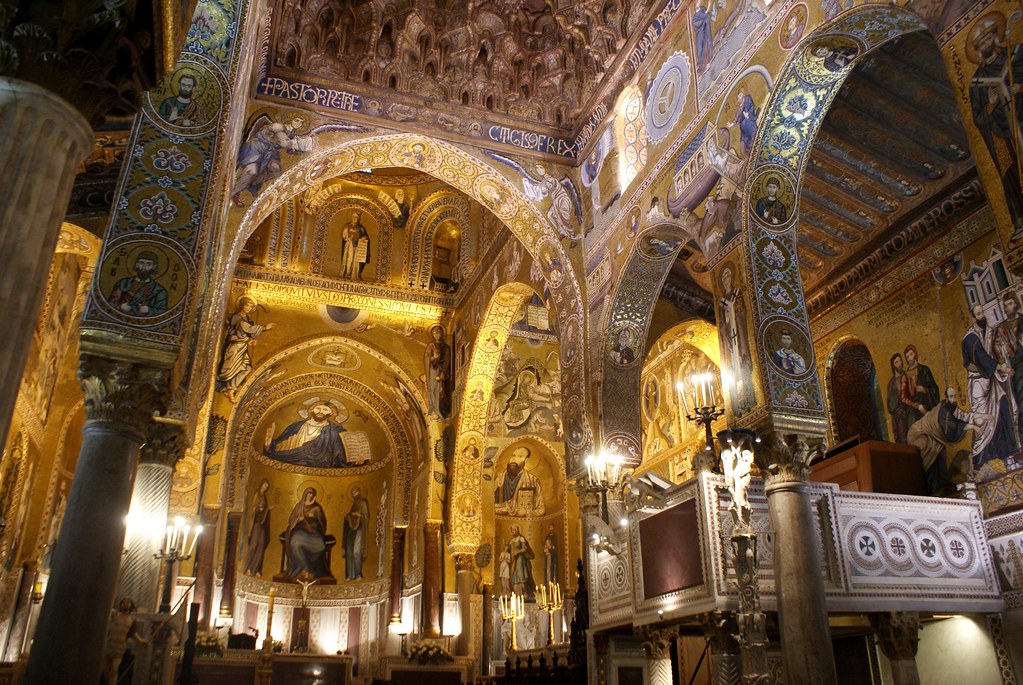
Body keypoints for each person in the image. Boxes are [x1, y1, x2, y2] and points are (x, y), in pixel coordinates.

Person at [968, 15, 1023, 240]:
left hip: (1019, 120)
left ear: (995, 37)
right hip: (1000, 134)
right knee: (1009, 173)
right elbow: (977, 118)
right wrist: (990, 105)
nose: (986, 44)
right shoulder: (977, 82)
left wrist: (1019, 88)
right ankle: (1020, 220)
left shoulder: (1015, 55)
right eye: (981, 43)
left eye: (988, 39)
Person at [962, 303, 1019, 473]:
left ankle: (1008, 453)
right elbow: (982, 359)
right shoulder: (970, 338)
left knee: (1003, 407)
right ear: (973, 317)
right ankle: (980, 461)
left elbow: (996, 351)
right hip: (979, 385)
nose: (982, 317)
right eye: (978, 314)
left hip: (992, 380)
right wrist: (1001, 368)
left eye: (982, 313)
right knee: (983, 422)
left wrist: (1002, 358)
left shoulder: (989, 332)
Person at [908, 387, 989, 493]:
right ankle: (934, 487)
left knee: (940, 453)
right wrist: (973, 427)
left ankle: (941, 485)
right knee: (931, 456)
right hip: (920, 435)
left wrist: (982, 416)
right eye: (951, 397)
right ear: (946, 398)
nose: (954, 399)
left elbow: (964, 416)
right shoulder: (943, 411)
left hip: (933, 437)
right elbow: (953, 427)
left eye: (954, 396)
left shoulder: (951, 406)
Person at [232, 115, 313, 206]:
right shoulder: (279, 127)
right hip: (257, 149)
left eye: (301, 122)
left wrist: (298, 150)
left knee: (277, 172)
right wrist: (296, 144)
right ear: (290, 119)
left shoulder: (292, 133)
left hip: (270, 152)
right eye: (296, 120)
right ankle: (234, 192)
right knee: (252, 171)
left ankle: (252, 182)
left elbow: (287, 148)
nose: (298, 123)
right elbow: (283, 141)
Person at [216, 295, 275, 402]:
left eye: (251, 306)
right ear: (242, 305)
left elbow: (247, 333)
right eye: (247, 305)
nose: (248, 308)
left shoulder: (248, 319)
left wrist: (249, 340)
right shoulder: (236, 317)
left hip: (242, 347)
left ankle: (231, 389)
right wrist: (264, 328)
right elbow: (246, 328)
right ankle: (227, 387)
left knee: (247, 369)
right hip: (235, 347)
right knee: (230, 370)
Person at [718, 266, 756, 415]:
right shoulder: (721, 302)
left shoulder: (737, 294)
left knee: (742, 357)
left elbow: (742, 312)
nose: (726, 280)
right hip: (730, 337)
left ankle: (749, 396)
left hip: (739, 333)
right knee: (733, 363)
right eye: (723, 278)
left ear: (732, 278)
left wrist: (735, 315)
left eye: (728, 276)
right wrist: (726, 323)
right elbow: (722, 324)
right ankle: (737, 403)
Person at [264, 402, 347, 468]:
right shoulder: (296, 425)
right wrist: (269, 446)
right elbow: (280, 444)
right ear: (312, 410)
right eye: (318, 408)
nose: (320, 412)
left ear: (331, 413)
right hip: (288, 459)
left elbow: (340, 455)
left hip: (318, 466)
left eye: (325, 410)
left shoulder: (334, 431)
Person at [283, 488, 331, 579]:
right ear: (305, 494)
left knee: (321, 546)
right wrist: (298, 519)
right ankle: (306, 569)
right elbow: (291, 519)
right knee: (294, 542)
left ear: (314, 496)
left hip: (313, 534)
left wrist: (314, 527)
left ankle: (307, 568)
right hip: (299, 532)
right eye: (308, 494)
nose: (310, 496)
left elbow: (322, 522)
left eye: (312, 494)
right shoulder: (299, 506)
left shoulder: (317, 508)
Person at [108, 251, 168, 317]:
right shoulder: (123, 283)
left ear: (154, 266)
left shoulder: (159, 290)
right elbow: (110, 304)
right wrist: (120, 306)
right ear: (137, 264)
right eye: (141, 263)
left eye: (148, 264)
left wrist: (148, 310)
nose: (144, 267)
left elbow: (163, 312)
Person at [103, 597, 147, 685]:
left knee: (114, 669)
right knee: (104, 669)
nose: (125, 604)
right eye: (123, 602)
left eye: (128, 602)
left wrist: (141, 641)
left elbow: (133, 634)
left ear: (131, 605)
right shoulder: (114, 615)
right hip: (109, 644)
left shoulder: (131, 620)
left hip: (119, 647)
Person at [495, 447, 545, 517]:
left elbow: (541, 510)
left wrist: (526, 513)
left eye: (520, 456)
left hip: (522, 522)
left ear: (526, 460)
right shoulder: (499, 480)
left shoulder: (533, 481)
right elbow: (488, 505)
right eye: (513, 455)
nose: (514, 459)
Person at [901, 345, 941, 431]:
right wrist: (917, 406)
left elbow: (935, 389)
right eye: (907, 356)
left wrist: (924, 390)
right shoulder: (905, 376)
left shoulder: (924, 370)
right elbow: (903, 397)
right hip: (913, 409)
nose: (910, 358)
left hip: (927, 405)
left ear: (915, 354)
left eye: (911, 354)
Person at [243, 479, 272, 576]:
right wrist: (261, 508)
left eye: (267, 487)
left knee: (261, 546)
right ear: (261, 485)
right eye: (264, 485)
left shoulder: (265, 497)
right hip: (256, 523)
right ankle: (248, 568)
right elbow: (253, 508)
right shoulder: (257, 494)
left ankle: (256, 569)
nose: (265, 488)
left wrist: (267, 509)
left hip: (263, 525)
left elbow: (264, 509)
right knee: (254, 545)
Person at [424, 324, 451, 419]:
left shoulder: (446, 347)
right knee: (432, 389)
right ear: (432, 335)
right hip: (432, 370)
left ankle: (440, 409)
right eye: (435, 334)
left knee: (440, 390)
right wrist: (434, 357)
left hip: (441, 371)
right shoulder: (431, 345)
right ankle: (433, 409)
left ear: (442, 334)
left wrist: (443, 373)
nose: (437, 335)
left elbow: (447, 361)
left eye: (438, 333)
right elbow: (427, 358)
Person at [342, 486, 369, 580]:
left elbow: (366, 517)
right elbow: (351, 518)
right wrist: (347, 516)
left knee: (356, 552)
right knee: (349, 552)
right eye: (353, 493)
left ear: (359, 492)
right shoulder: (354, 504)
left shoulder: (363, 502)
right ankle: (350, 575)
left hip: (359, 529)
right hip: (351, 530)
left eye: (355, 492)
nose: (354, 495)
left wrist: (359, 515)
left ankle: (358, 574)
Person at [507, 525, 536, 597]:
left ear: (517, 530)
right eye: (512, 530)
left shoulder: (521, 538)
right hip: (513, 560)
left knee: (521, 575)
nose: (513, 531)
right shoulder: (511, 541)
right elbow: (508, 550)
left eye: (514, 530)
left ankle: (524, 592)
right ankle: (516, 593)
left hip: (520, 559)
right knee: (514, 575)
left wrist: (518, 552)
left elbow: (524, 548)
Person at [729, 88, 759, 156]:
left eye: (740, 95)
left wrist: (748, 113)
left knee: (754, 138)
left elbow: (752, 106)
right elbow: (736, 117)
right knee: (743, 146)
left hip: (750, 126)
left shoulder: (747, 99)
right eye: (738, 97)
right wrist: (731, 124)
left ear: (743, 94)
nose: (739, 98)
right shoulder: (739, 108)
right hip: (744, 131)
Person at [340, 210, 368, 280]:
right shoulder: (347, 225)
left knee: (356, 261)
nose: (355, 219)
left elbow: (365, 236)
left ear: (358, 219)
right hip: (349, 245)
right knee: (349, 260)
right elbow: (344, 235)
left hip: (357, 246)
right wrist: (347, 237)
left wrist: (364, 238)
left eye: (356, 218)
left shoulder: (361, 228)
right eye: (354, 217)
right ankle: (347, 273)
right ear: (352, 217)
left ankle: (355, 274)